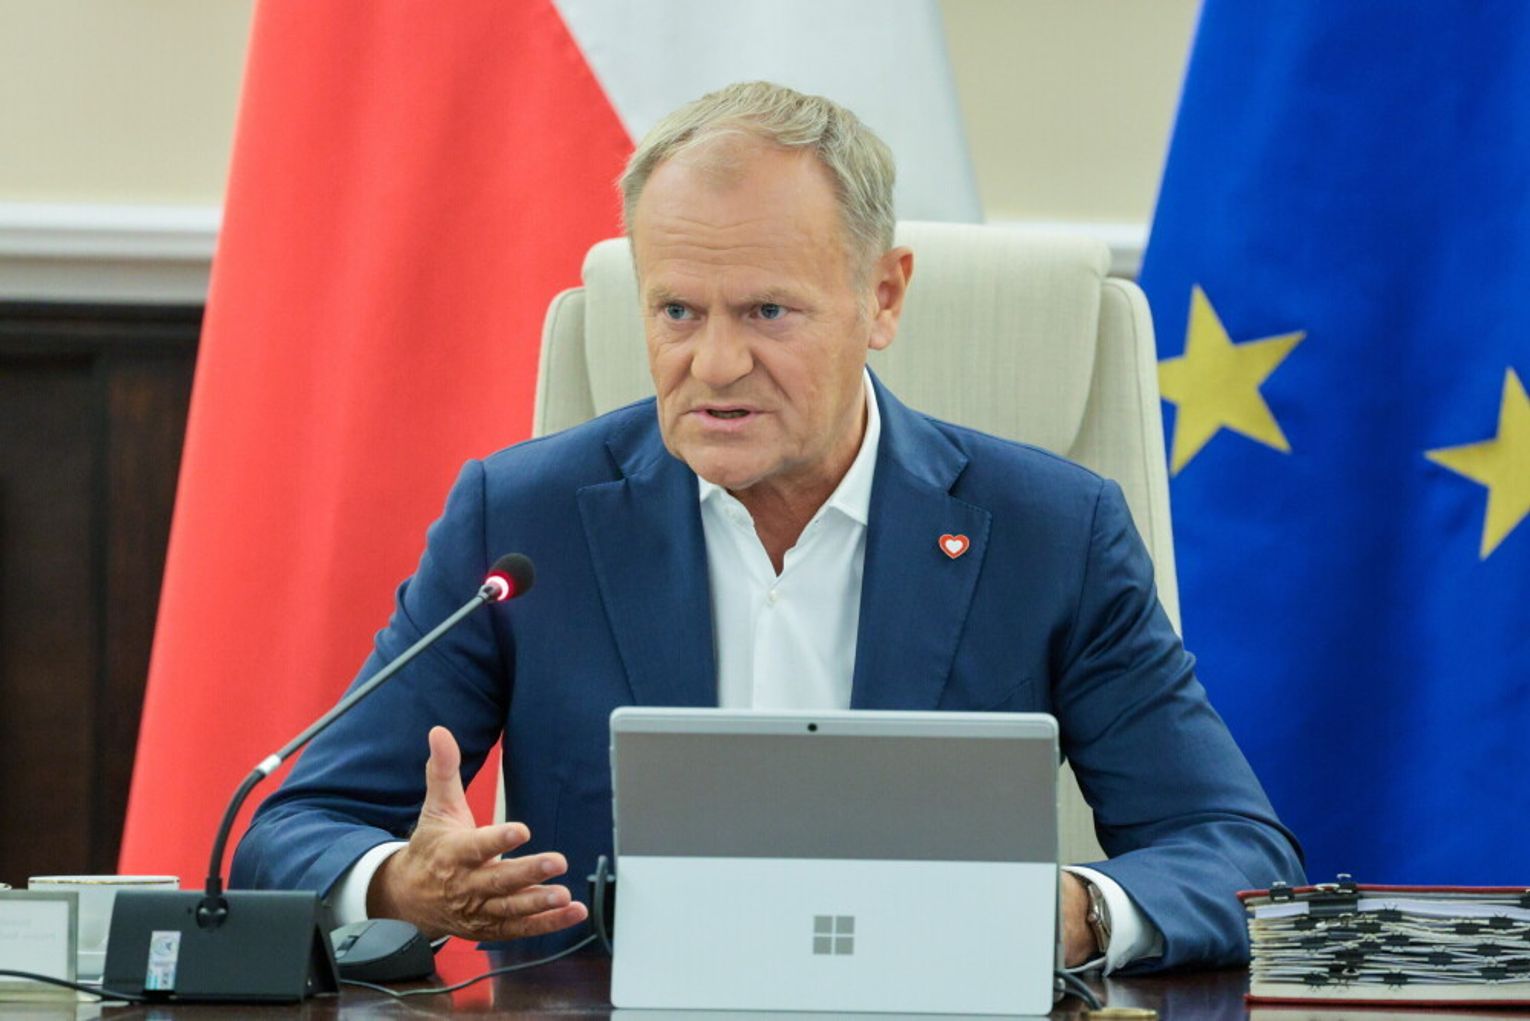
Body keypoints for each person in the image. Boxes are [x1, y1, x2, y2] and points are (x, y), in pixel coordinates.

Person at [231, 81, 1304, 972]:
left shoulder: (1049, 532)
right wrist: (401, 883)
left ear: (884, 298)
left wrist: (1075, 912)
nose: (714, 364)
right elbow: (289, 831)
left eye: (767, 312)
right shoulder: (523, 523)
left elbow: (1237, 854)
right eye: (678, 311)